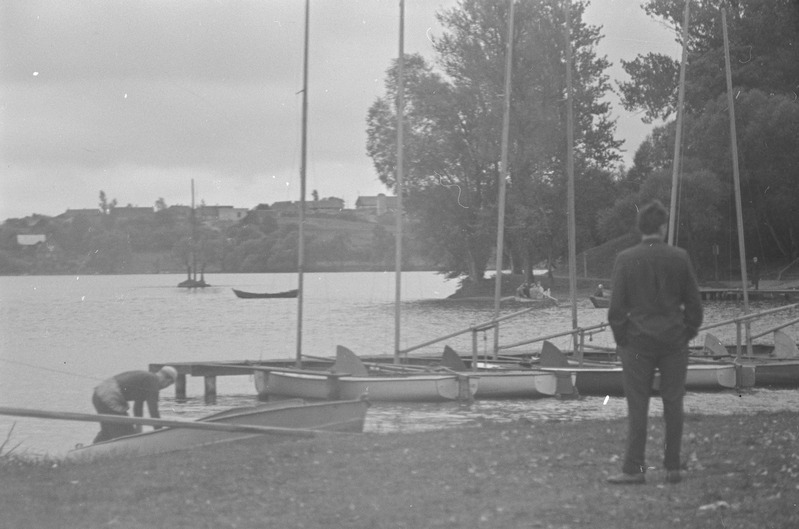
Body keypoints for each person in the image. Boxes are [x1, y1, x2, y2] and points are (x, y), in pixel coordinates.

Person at [606, 200, 703, 485]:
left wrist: (623, 338)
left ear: (640, 228)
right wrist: (686, 331)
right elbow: (695, 307)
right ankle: (672, 467)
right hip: (674, 340)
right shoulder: (680, 257)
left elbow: (616, 309)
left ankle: (633, 469)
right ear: (663, 227)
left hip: (636, 342)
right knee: (673, 402)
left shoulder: (625, 258)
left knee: (638, 405)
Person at [91, 366, 178, 443]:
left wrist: (138, 430)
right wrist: (160, 434)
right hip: (109, 398)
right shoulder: (153, 381)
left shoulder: (147, 378)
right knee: (126, 433)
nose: (164, 387)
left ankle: (87, 451)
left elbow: (138, 407)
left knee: (108, 431)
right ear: (168, 381)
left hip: (98, 394)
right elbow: (153, 411)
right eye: (168, 384)